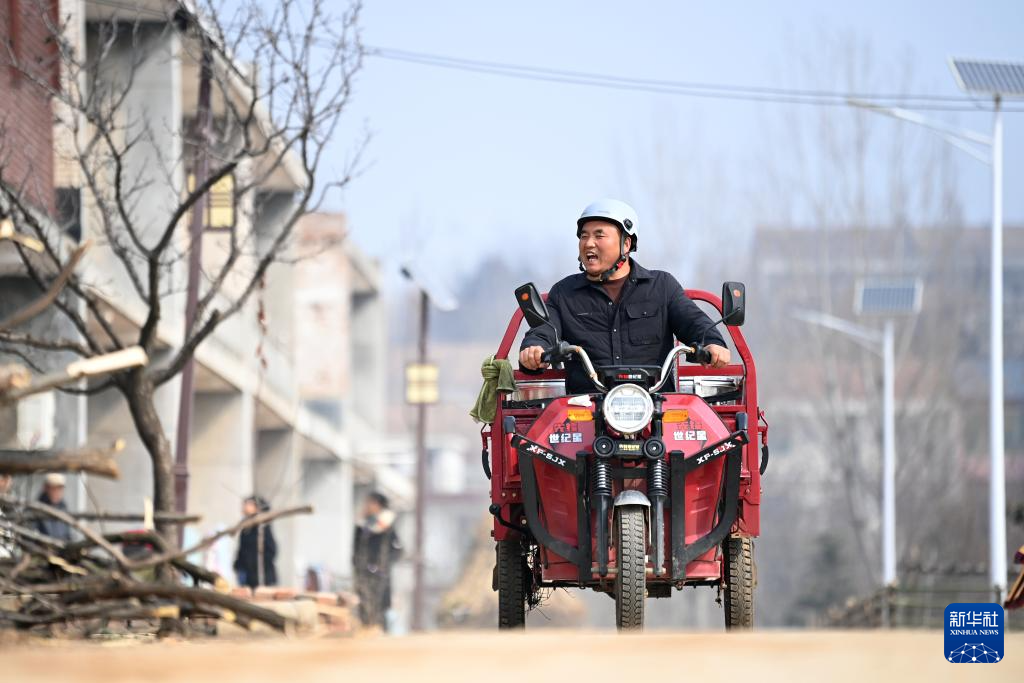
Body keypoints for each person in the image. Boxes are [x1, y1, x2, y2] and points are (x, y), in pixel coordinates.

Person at [519, 199, 730, 394]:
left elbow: (694, 322)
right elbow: (544, 331)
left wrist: (713, 344)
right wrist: (534, 350)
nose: (589, 243)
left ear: (626, 244)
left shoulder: (662, 287)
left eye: (599, 235)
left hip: (657, 407)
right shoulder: (564, 293)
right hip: (584, 410)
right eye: (584, 236)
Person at [353, 492, 402, 630]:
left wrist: (385, 563)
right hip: (363, 572)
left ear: (378, 505)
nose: (367, 506)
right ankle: (366, 628)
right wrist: (357, 565)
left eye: (370, 503)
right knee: (364, 602)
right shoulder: (362, 525)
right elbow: (355, 549)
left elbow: (398, 549)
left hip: (380, 573)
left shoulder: (386, 525)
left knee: (379, 604)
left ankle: (379, 629)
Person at [233, 495, 278, 589]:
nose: (245, 506)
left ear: (257, 507)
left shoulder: (263, 527)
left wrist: (256, 565)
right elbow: (242, 550)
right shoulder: (245, 528)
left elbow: (271, 551)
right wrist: (238, 566)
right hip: (247, 576)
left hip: (262, 577)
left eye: (249, 504)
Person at [33, 473, 71, 541]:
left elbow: (68, 535)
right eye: (53, 488)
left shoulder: (63, 508)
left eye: (59, 489)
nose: (57, 492)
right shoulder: (35, 509)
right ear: (45, 488)